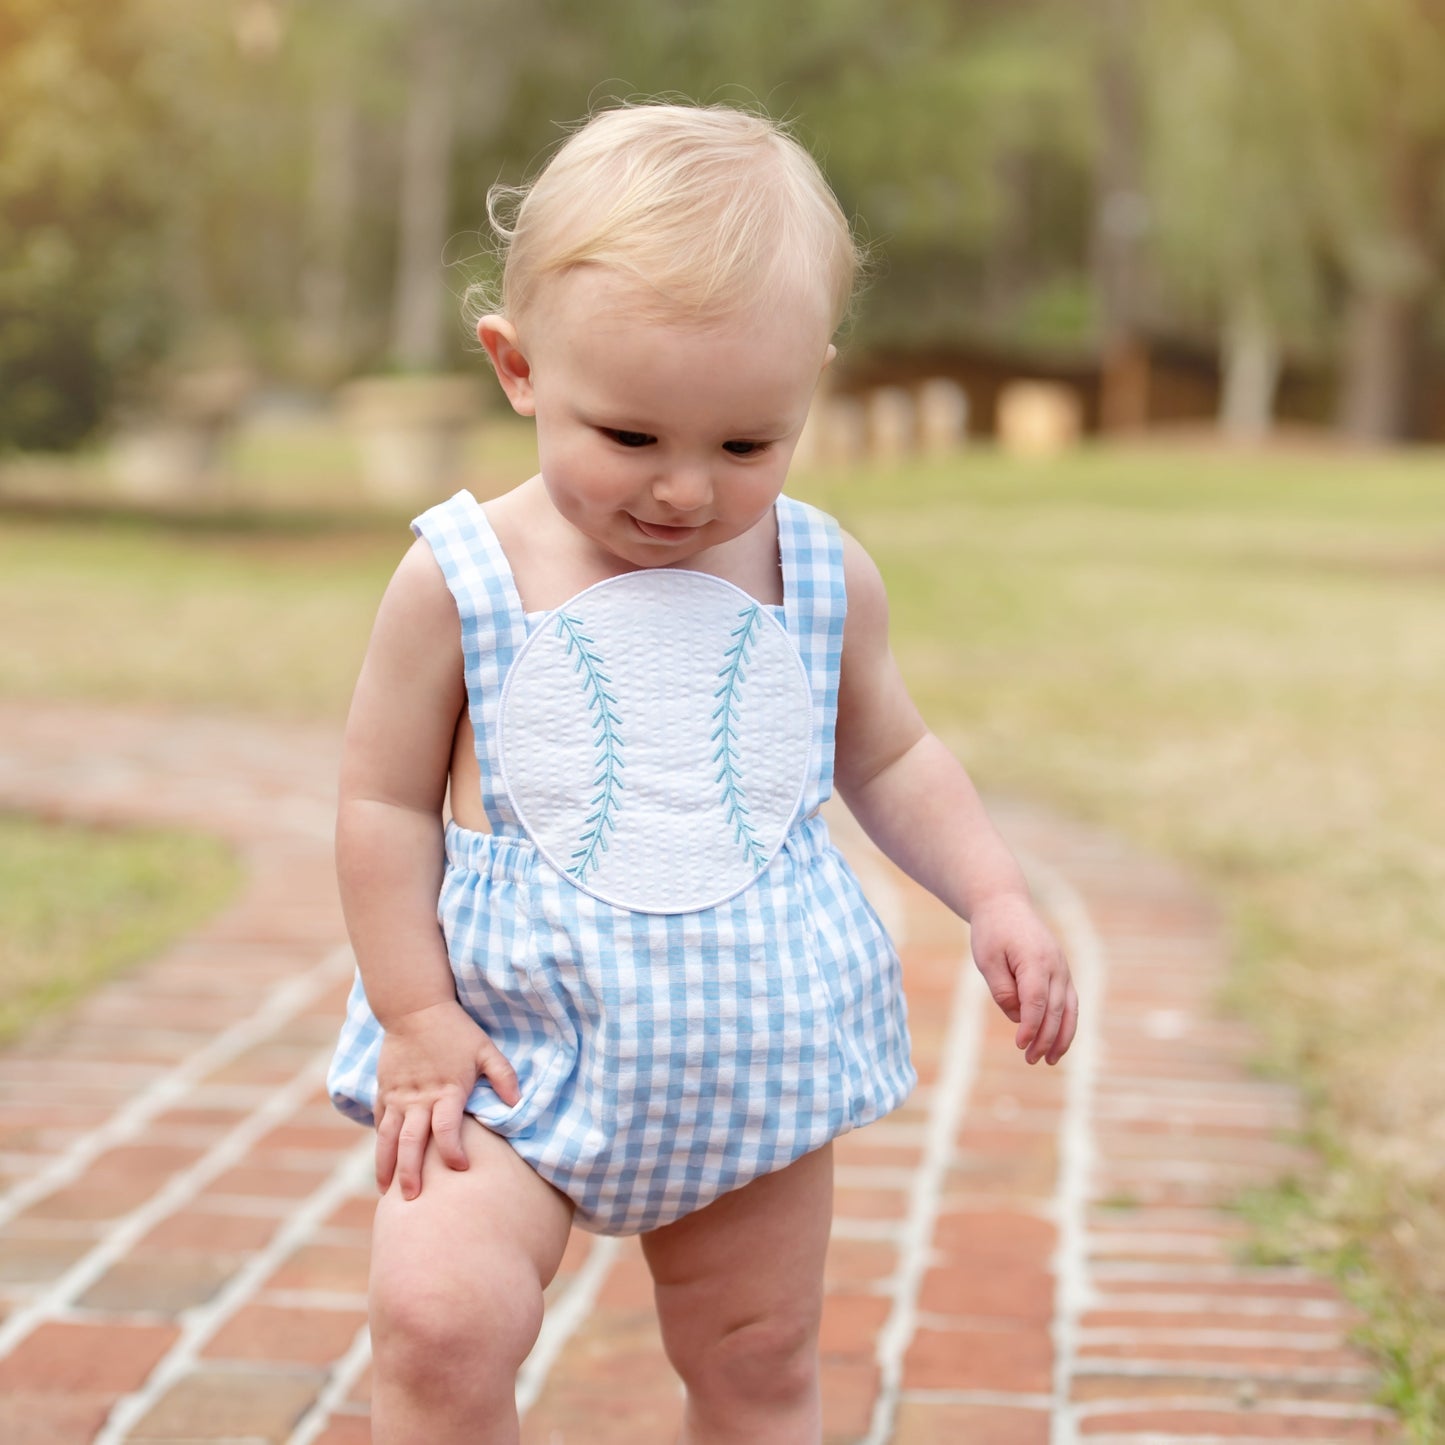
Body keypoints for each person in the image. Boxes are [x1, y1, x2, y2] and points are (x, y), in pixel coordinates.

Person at [327, 100, 1078, 1445]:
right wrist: (415, 1014)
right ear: (517, 368)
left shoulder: (815, 572)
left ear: (809, 391)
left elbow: (891, 751)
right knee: (439, 1324)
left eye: (745, 444)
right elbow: (380, 801)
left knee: (757, 1360)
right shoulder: (461, 576)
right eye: (627, 437)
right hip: (510, 1054)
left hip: (749, 1054)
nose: (682, 491)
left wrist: (996, 895)